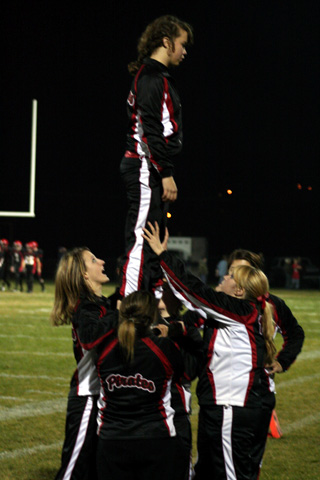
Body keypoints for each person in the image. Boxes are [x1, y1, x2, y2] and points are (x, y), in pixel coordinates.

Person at [143, 222, 277, 480]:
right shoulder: (238, 314)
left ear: (239, 290)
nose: (223, 277)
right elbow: (196, 313)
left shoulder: (239, 311)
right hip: (220, 408)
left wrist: (162, 255)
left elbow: (194, 291)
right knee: (207, 473)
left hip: (230, 408)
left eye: (229, 276)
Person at [119, 15, 193, 298]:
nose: (185, 51)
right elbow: (150, 132)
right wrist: (166, 172)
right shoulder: (151, 79)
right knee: (140, 239)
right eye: (182, 44)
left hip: (148, 167)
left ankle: (153, 306)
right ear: (166, 41)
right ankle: (130, 310)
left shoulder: (154, 77)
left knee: (154, 240)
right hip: (145, 166)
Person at [220, 248, 304, 479]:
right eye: (231, 272)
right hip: (224, 397)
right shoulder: (218, 305)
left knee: (249, 463)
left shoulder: (272, 305)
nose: (234, 277)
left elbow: (295, 333)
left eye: (241, 271)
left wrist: (282, 361)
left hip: (258, 394)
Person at [93, 290, 184, 480]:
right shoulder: (164, 348)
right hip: (156, 437)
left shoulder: (103, 348)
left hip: (111, 438)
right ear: (151, 316)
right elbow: (184, 374)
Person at [51, 247, 117, 480]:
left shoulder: (101, 304)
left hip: (102, 397)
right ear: (84, 274)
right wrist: (118, 315)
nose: (101, 261)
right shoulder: (87, 307)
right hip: (88, 396)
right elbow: (89, 338)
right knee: (74, 471)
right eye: (93, 259)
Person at [156, 281, 204, 479]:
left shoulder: (187, 330)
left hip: (176, 403)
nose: (159, 291)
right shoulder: (142, 322)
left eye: (165, 288)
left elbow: (190, 370)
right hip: (148, 404)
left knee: (180, 459)